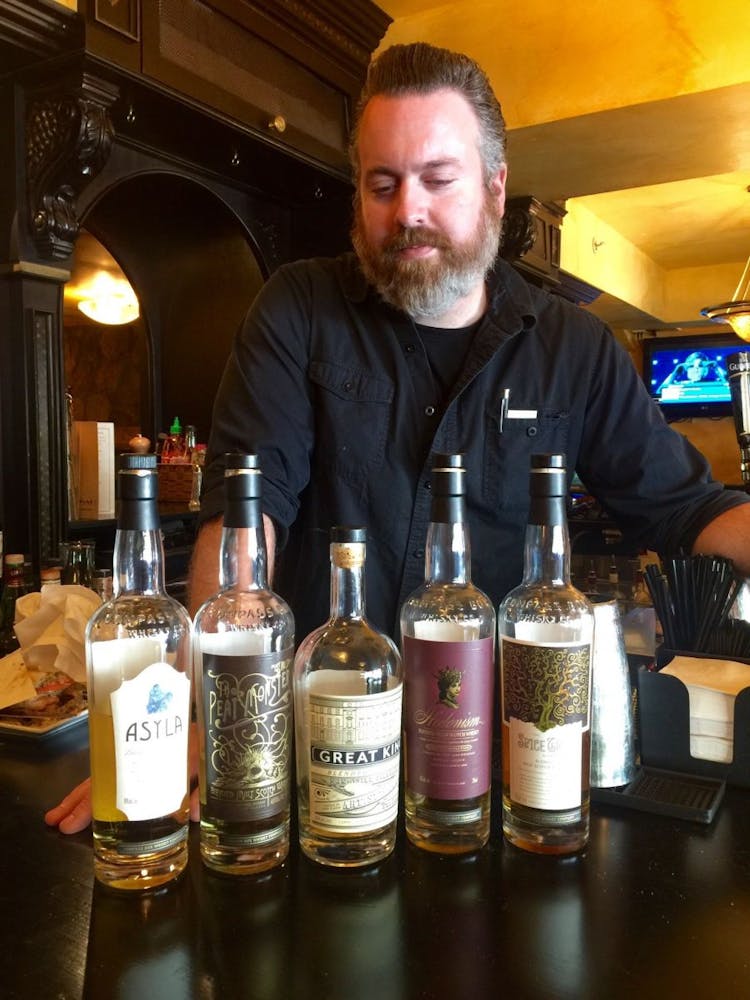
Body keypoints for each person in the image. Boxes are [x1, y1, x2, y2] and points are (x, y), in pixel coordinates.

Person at [46, 41, 750, 834]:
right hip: (320, 753)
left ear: (494, 187)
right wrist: (213, 714)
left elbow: (686, 507)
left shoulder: (573, 348)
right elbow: (247, 515)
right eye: (382, 185)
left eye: (437, 180)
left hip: (503, 763)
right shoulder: (298, 310)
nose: (407, 210)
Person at [657, 350, 728, 394]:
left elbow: (730, 388)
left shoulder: (716, 383)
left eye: (700, 366)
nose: (696, 369)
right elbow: (659, 393)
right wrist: (675, 373)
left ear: (706, 370)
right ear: (686, 370)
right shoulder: (678, 384)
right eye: (691, 367)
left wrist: (716, 367)